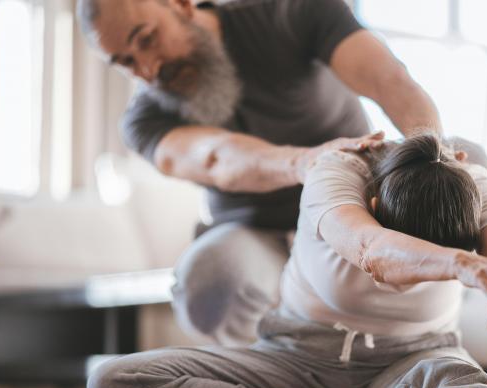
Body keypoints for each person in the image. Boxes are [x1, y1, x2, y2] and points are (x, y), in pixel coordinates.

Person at [87, 134, 487, 388]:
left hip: (413, 355)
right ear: (373, 202)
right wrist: (460, 265)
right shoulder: (338, 173)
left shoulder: (475, 183)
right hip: (296, 355)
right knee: (114, 382)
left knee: (449, 387)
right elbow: (370, 249)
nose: (412, 286)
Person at [76, 0, 443, 345]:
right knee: (209, 281)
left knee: (465, 156)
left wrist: (430, 159)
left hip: (355, 208)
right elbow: (216, 158)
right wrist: (306, 163)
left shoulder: (290, 12)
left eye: (147, 39)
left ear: (181, 4)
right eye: (125, 62)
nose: (149, 69)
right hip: (254, 233)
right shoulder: (144, 119)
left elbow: (389, 81)